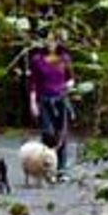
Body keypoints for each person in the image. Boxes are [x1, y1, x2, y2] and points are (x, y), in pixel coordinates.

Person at [19, 35, 78, 176]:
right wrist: (32, 102)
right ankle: (46, 164)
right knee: (48, 133)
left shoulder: (64, 58)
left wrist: (68, 86)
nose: (51, 43)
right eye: (48, 40)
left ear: (58, 42)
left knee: (61, 134)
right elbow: (33, 82)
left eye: (54, 40)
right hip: (44, 100)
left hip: (61, 99)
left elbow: (71, 78)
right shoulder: (37, 60)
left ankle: (61, 170)